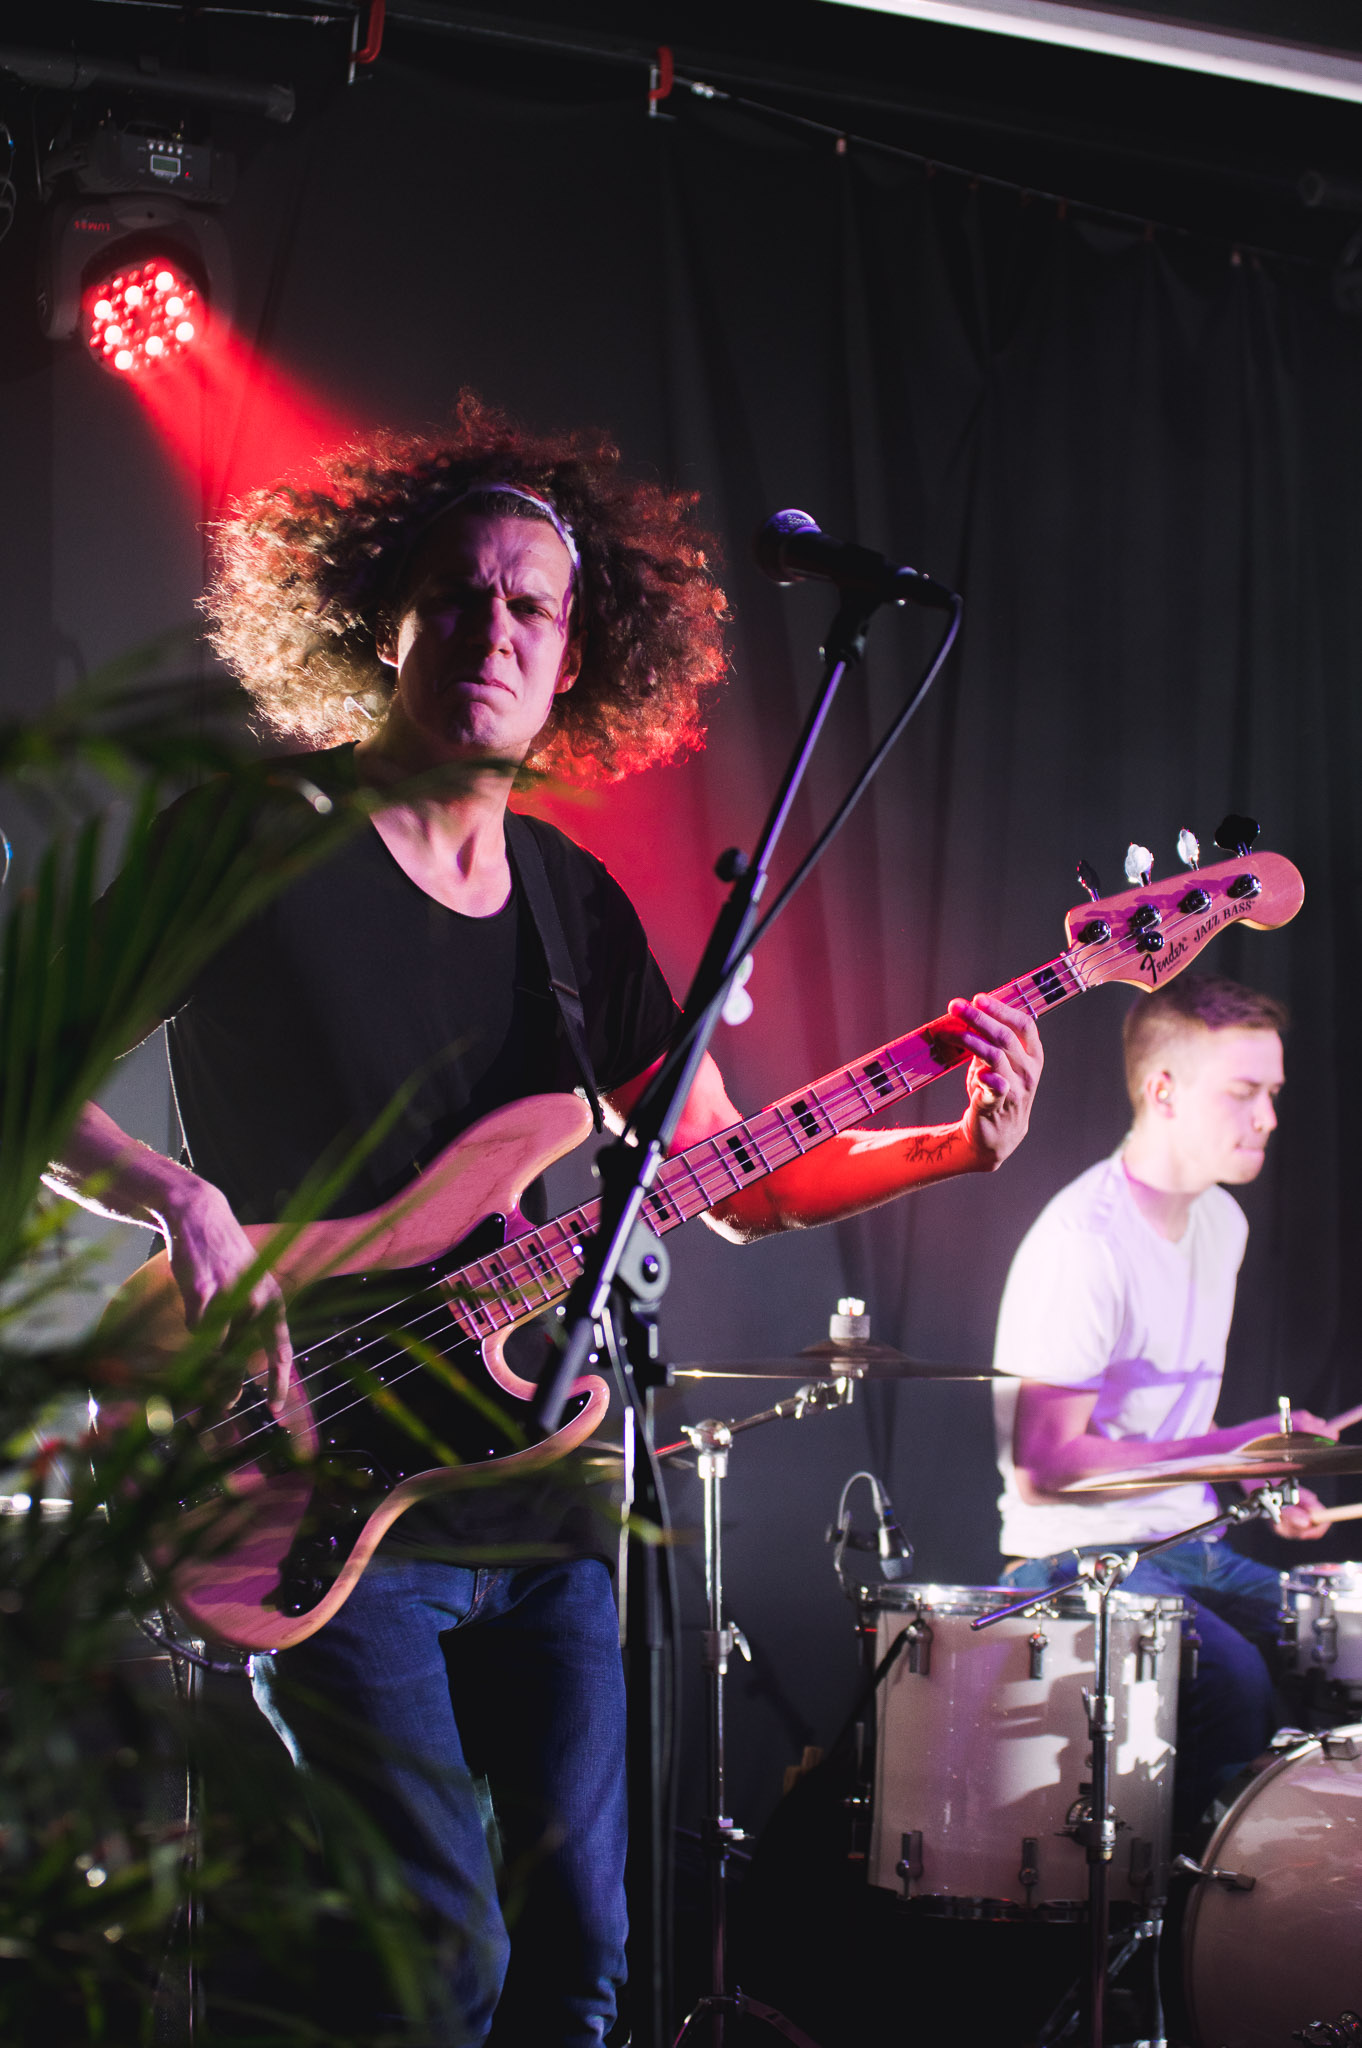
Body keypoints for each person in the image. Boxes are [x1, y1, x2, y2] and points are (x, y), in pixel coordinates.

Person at [50, 396, 1044, 2046]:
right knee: (443, 1959)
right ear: (385, 619)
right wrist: (179, 1194)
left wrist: (952, 1143)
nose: (492, 630)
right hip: (309, 1478)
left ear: (575, 654)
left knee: (581, 1953)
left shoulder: (574, 911)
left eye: (529, 606)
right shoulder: (250, 839)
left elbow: (734, 1181)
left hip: (539, 1492)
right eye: (457, 594)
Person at [993, 971, 1332, 1836]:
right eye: (1244, 1092)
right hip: (1072, 1556)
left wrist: (1257, 1474)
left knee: (1335, 1648)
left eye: (1271, 1093)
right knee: (1235, 1682)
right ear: (1164, 1090)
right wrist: (1231, 1450)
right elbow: (1044, 1468)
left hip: (1190, 1541)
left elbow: (1165, 1429)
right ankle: (1184, 1904)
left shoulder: (1223, 1223)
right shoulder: (1085, 1244)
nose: (1268, 1117)